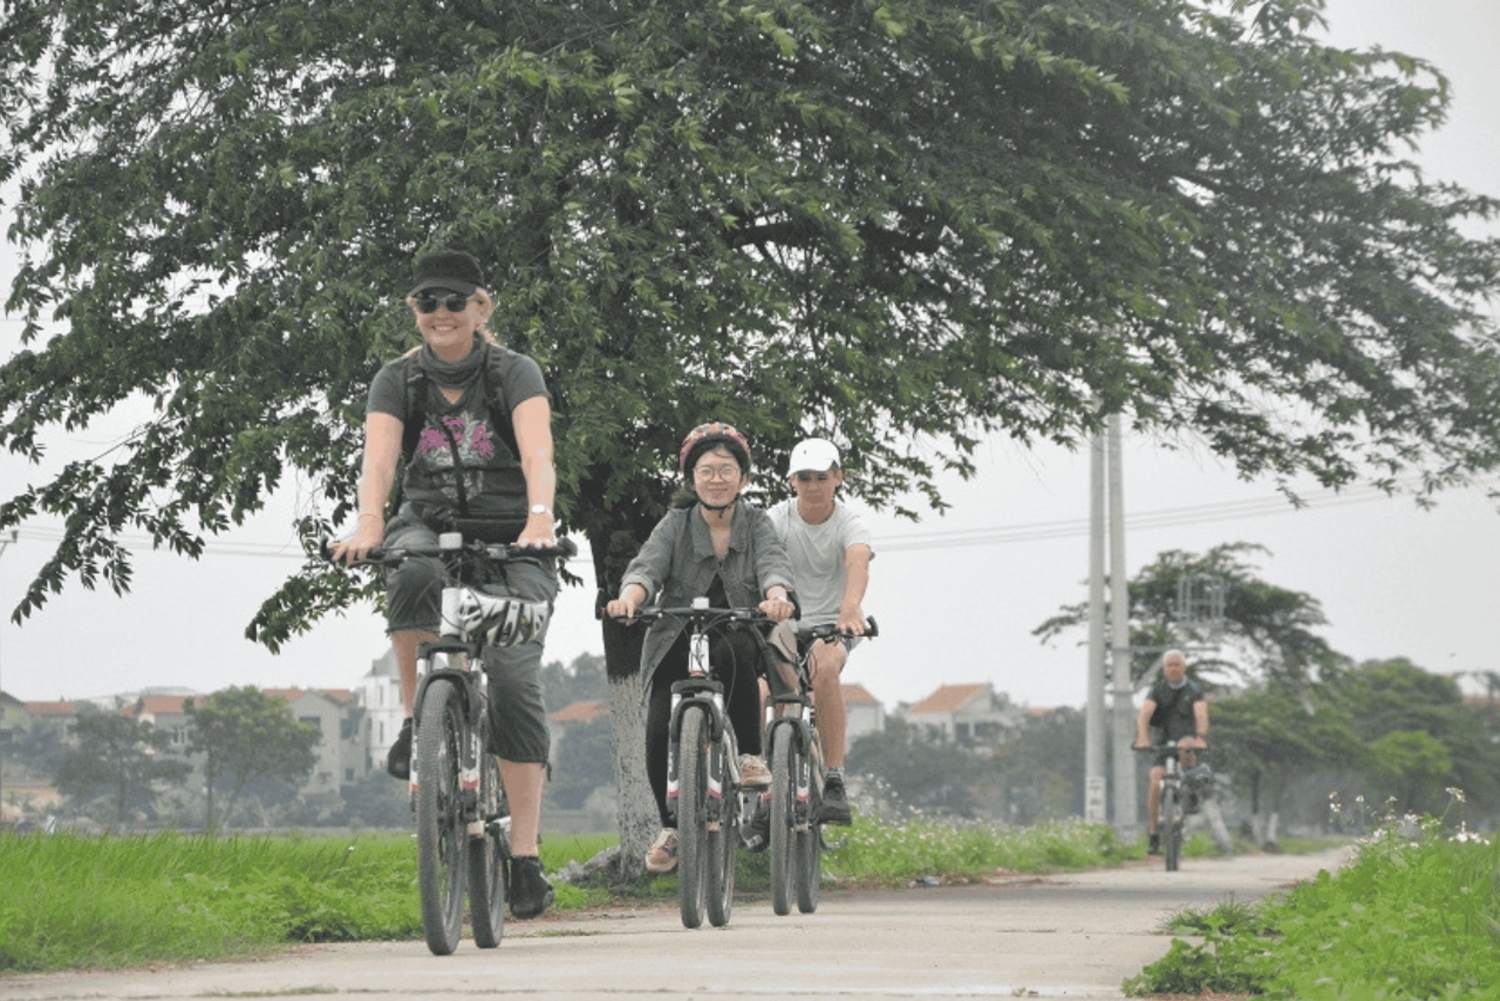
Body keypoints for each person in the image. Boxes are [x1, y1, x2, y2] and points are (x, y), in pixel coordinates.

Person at [330, 248, 560, 919]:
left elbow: (539, 450)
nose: (440, 314)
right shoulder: (396, 380)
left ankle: (523, 856)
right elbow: (377, 461)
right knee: (410, 569)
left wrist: (539, 520)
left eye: (454, 302)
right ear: (415, 311)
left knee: (516, 682)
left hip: (512, 533)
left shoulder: (513, 371)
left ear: (480, 308)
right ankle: (415, 718)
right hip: (427, 520)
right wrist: (370, 524)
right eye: (428, 302)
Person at [604, 422, 797, 873]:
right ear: (692, 478)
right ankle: (671, 827)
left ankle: (749, 755)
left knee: (738, 654)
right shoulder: (675, 524)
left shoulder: (757, 521)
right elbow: (645, 569)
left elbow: (773, 563)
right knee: (656, 726)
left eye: (726, 470)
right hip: (677, 632)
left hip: (736, 628)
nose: (716, 479)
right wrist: (629, 600)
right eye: (706, 470)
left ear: (743, 478)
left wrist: (777, 597)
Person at [766, 437, 873, 825]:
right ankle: (766, 786)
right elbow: (763, 560)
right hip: (785, 623)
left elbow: (858, 561)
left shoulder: (850, 522)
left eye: (822, 477)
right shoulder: (777, 518)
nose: (813, 486)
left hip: (833, 622)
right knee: (763, 687)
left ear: (838, 478)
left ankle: (833, 778)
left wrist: (851, 606)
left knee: (826, 671)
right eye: (805, 477)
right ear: (792, 480)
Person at [1133, 649, 1209, 855]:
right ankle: (1153, 831)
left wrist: (1200, 736)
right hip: (1163, 741)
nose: (1173, 668)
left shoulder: (1194, 690)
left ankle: (1190, 789)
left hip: (1187, 739)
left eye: (1177, 664)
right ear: (1165, 669)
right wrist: (1142, 735)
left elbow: (1201, 715)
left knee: (1186, 747)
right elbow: (1144, 714)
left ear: (1184, 667)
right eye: (1169, 665)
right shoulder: (1157, 690)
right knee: (1155, 780)